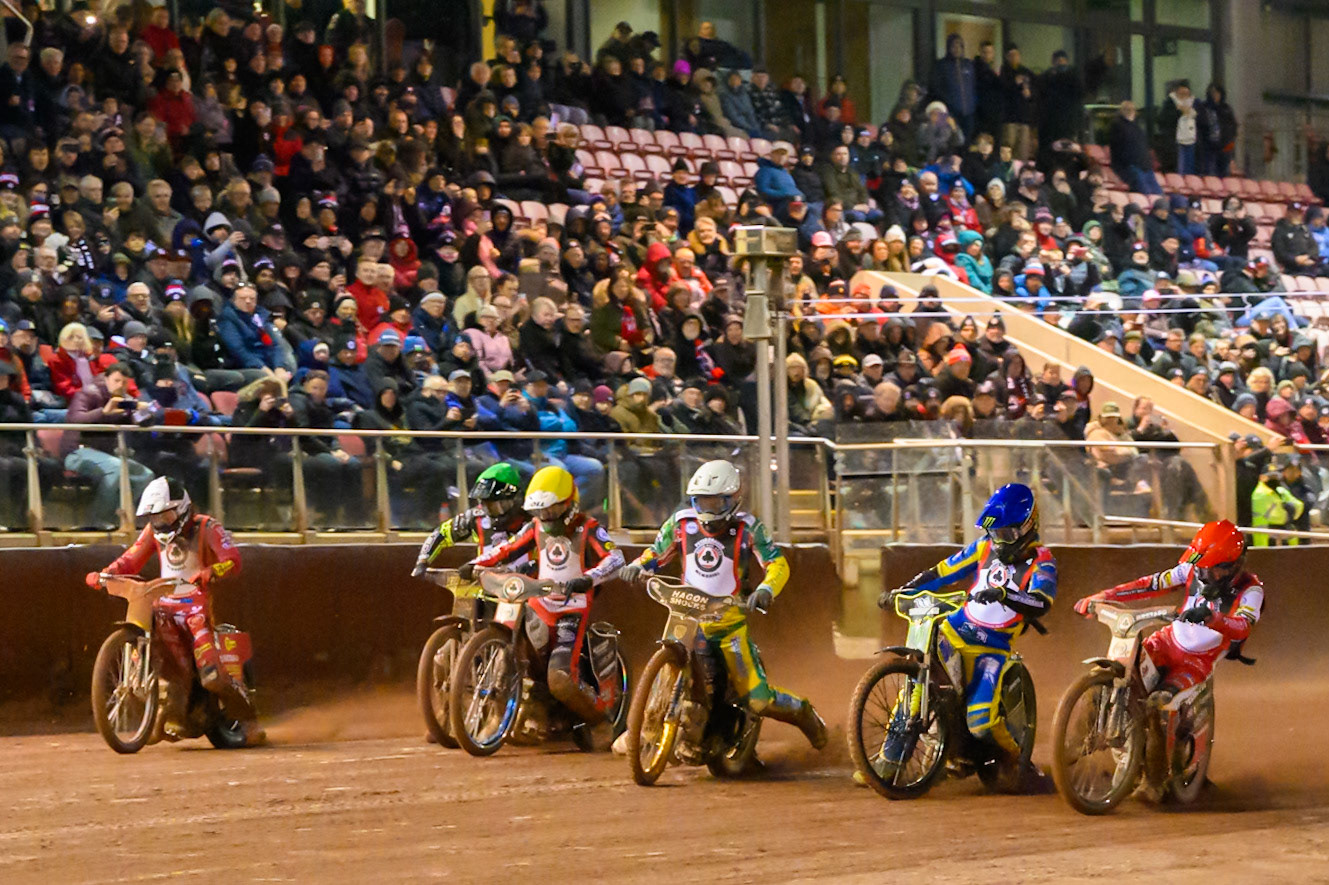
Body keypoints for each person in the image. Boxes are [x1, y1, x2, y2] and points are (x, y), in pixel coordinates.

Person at [618, 460, 828, 751]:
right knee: (666, 663)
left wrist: (767, 589)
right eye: (702, 501)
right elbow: (655, 554)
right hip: (685, 614)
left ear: (731, 499)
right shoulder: (681, 524)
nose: (708, 508)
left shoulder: (748, 528)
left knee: (756, 698)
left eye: (715, 502)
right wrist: (636, 566)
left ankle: (804, 713)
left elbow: (776, 563)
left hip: (728, 623)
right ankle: (643, 731)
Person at [872, 484, 1054, 780]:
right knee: (916, 683)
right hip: (954, 630)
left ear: (1028, 527)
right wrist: (903, 591)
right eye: (994, 534)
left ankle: (1018, 762)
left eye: (1005, 534)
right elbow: (942, 572)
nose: (998, 542)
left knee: (981, 721)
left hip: (991, 650)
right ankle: (888, 762)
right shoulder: (983, 547)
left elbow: (1041, 602)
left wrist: (1004, 595)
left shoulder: (1043, 561)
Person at [85, 478, 264, 745]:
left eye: (165, 515)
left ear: (181, 509)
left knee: (212, 676)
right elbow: (131, 559)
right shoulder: (151, 533)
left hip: (195, 609)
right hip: (162, 604)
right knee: (149, 639)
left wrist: (212, 571)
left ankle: (249, 720)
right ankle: (165, 707)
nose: (160, 523)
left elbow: (233, 561)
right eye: (155, 517)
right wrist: (106, 574)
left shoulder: (207, 526)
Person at [460, 466, 625, 725]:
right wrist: (475, 564)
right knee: (528, 658)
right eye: (539, 511)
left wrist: (589, 578)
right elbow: (506, 549)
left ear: (569, 504)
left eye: (551, 509)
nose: (545, 516)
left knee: (560, 678)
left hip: (571, 608)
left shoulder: (589, 528)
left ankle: (600, 720)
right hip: (538, 604)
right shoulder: (534, 527)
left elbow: (616, 558)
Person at [1073, 520, 1261, 705]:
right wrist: (1104, 596)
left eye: (1210, 569)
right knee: (1132, 664)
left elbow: (1243, 626)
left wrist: (1212, 618)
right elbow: (1149, 585)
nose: (1202, 574)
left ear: (1232, 566)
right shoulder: (1190, 568)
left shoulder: (1251, 589)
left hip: (1200, 657)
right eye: (1200, 567)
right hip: (1167, 640)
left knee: (1166, 695)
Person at [413, 462, 528, 576]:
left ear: (515, 498)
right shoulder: (476, 517)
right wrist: (423, 561)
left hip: (527, 586)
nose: (489, 509)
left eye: (495, 504)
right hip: (488, 585)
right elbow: (441, 533)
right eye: (484, 503)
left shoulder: (533, 519)